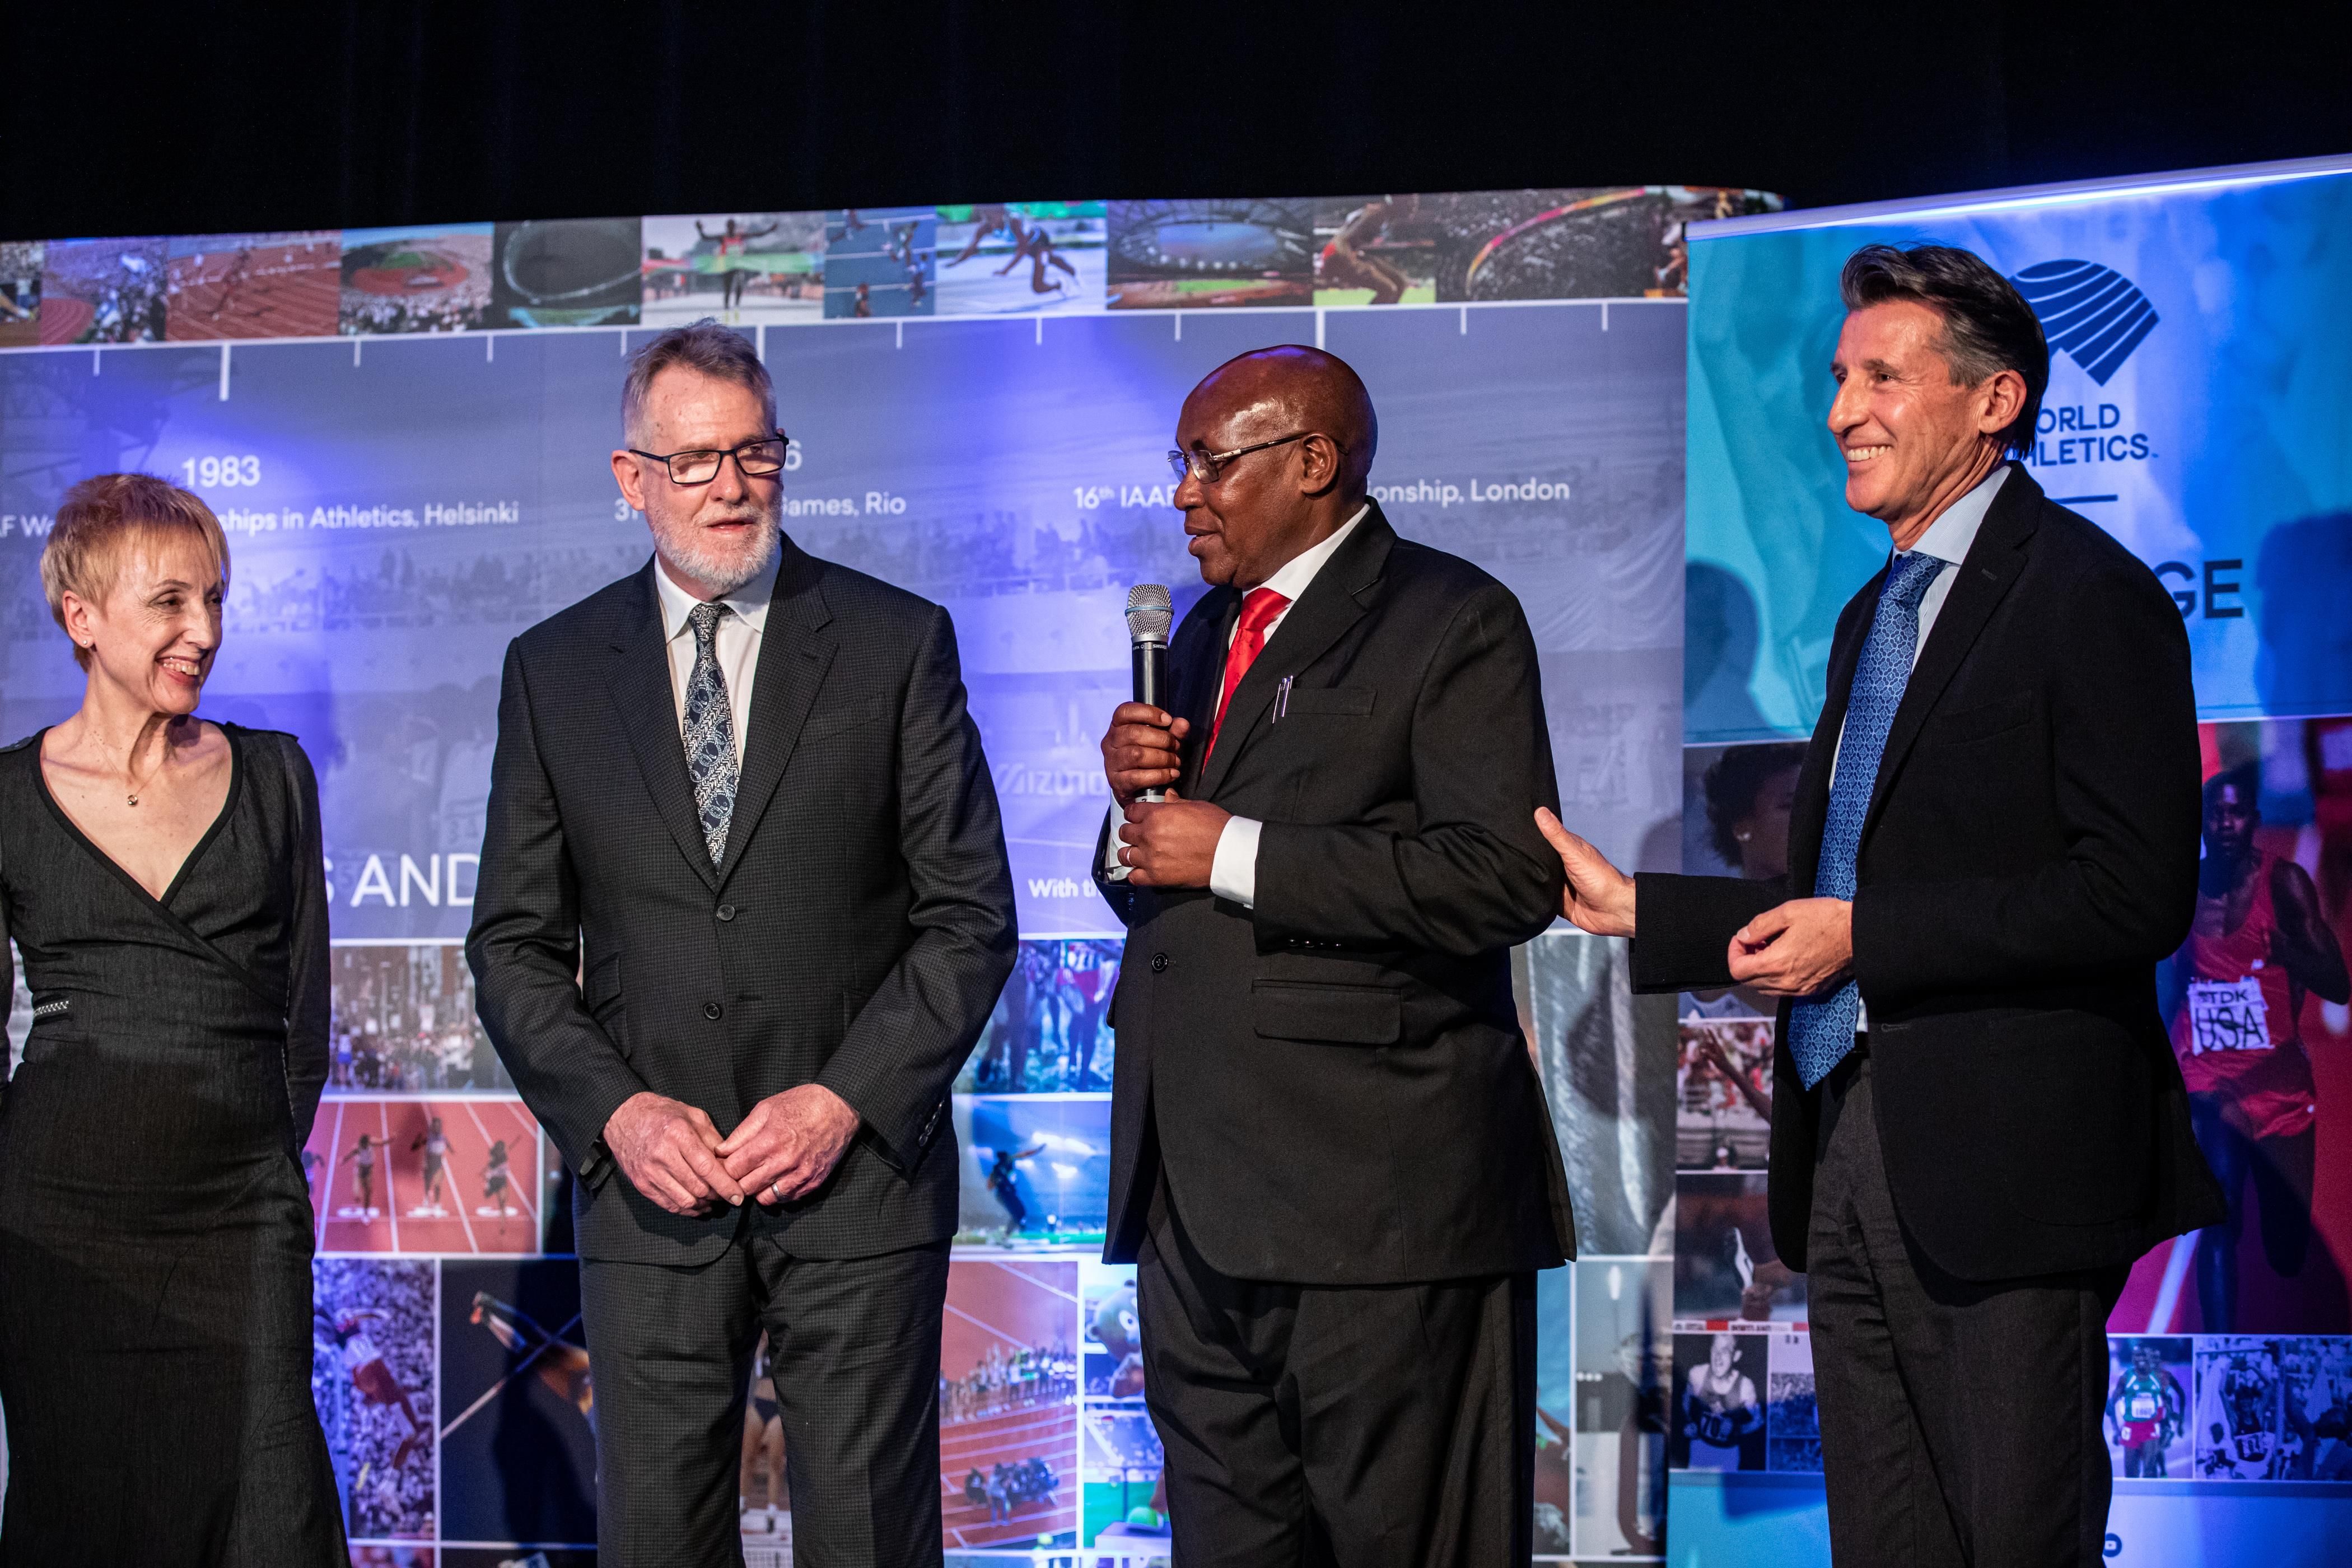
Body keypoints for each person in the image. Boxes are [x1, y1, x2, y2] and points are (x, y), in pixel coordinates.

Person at [1537, 243, 2224, 1565]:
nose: (1841, 409)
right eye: (1838, 378)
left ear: (1994, 401)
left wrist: (1869, 939)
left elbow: (2132, 891)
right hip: (1848, 1144)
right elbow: (1842, 887)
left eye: (1880, 378)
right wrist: (1651, 915)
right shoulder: (1873, 615)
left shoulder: (2092, 597)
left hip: (2009, 1172)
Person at [466, 319, 1016, 1566]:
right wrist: (616, 1115)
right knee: (658, 1538)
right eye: (696, 459)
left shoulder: (893, 642)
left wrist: (841, 1100)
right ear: (631, 478)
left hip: (855, 1186)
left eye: (756, 452)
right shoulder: (553, 670)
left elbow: (970, 914)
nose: (731, 485)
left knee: (869, 1538)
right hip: (653, 1195)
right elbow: (510, 941)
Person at [1096, 344, 1575, 1565]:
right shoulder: (1201, 632)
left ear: (1313, 461)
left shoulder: (1450, 617)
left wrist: (1234, 847)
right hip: (1194, 1208)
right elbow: (1175, 899)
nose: (1183, 494)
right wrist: (1130, 819)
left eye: (1210, 461)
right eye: (1180, 463)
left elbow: (1503, 875)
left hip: (1378, 1210)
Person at [0, 472, 345, 1562]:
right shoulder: (7, 797)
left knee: (270, 1509)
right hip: (59, 1227)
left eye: (217, 600)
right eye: (170, 602)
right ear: (83, 616)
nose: (203, 630)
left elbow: (305, 1021)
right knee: (82, 1509)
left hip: (240, 1220)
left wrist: (250, 1158)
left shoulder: (278, 775)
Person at [2163, 762, 2349, 1331]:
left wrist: (2287, 956)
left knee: (2286, 1252)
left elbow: (2338, 984)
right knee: (2218, 1214)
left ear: (2253, 821)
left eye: (2235, 811)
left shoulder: (2284, 884)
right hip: (2210, 1083)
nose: (2223, 821)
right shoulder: (2182, 891)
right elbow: (2166, 988)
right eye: (2214, 812)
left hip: (2279, 1086)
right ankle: (2220, 1353)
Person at [2105, 1341, 2186, 1478]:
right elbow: (2112, 1403)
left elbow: (2167, 1400)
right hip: (2131, 1429)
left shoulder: (2159, 1377)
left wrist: (2174, 1420)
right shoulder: (2126, 1378)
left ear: (2149, 1358)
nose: (2141, 1359)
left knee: (2150, 1471)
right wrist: (2115, 1430)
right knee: (2131, 1473)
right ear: (2133, 1359)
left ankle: (2160, 1477)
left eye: (2144, 1356)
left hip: (2151, 1428)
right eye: (2138, 1356)